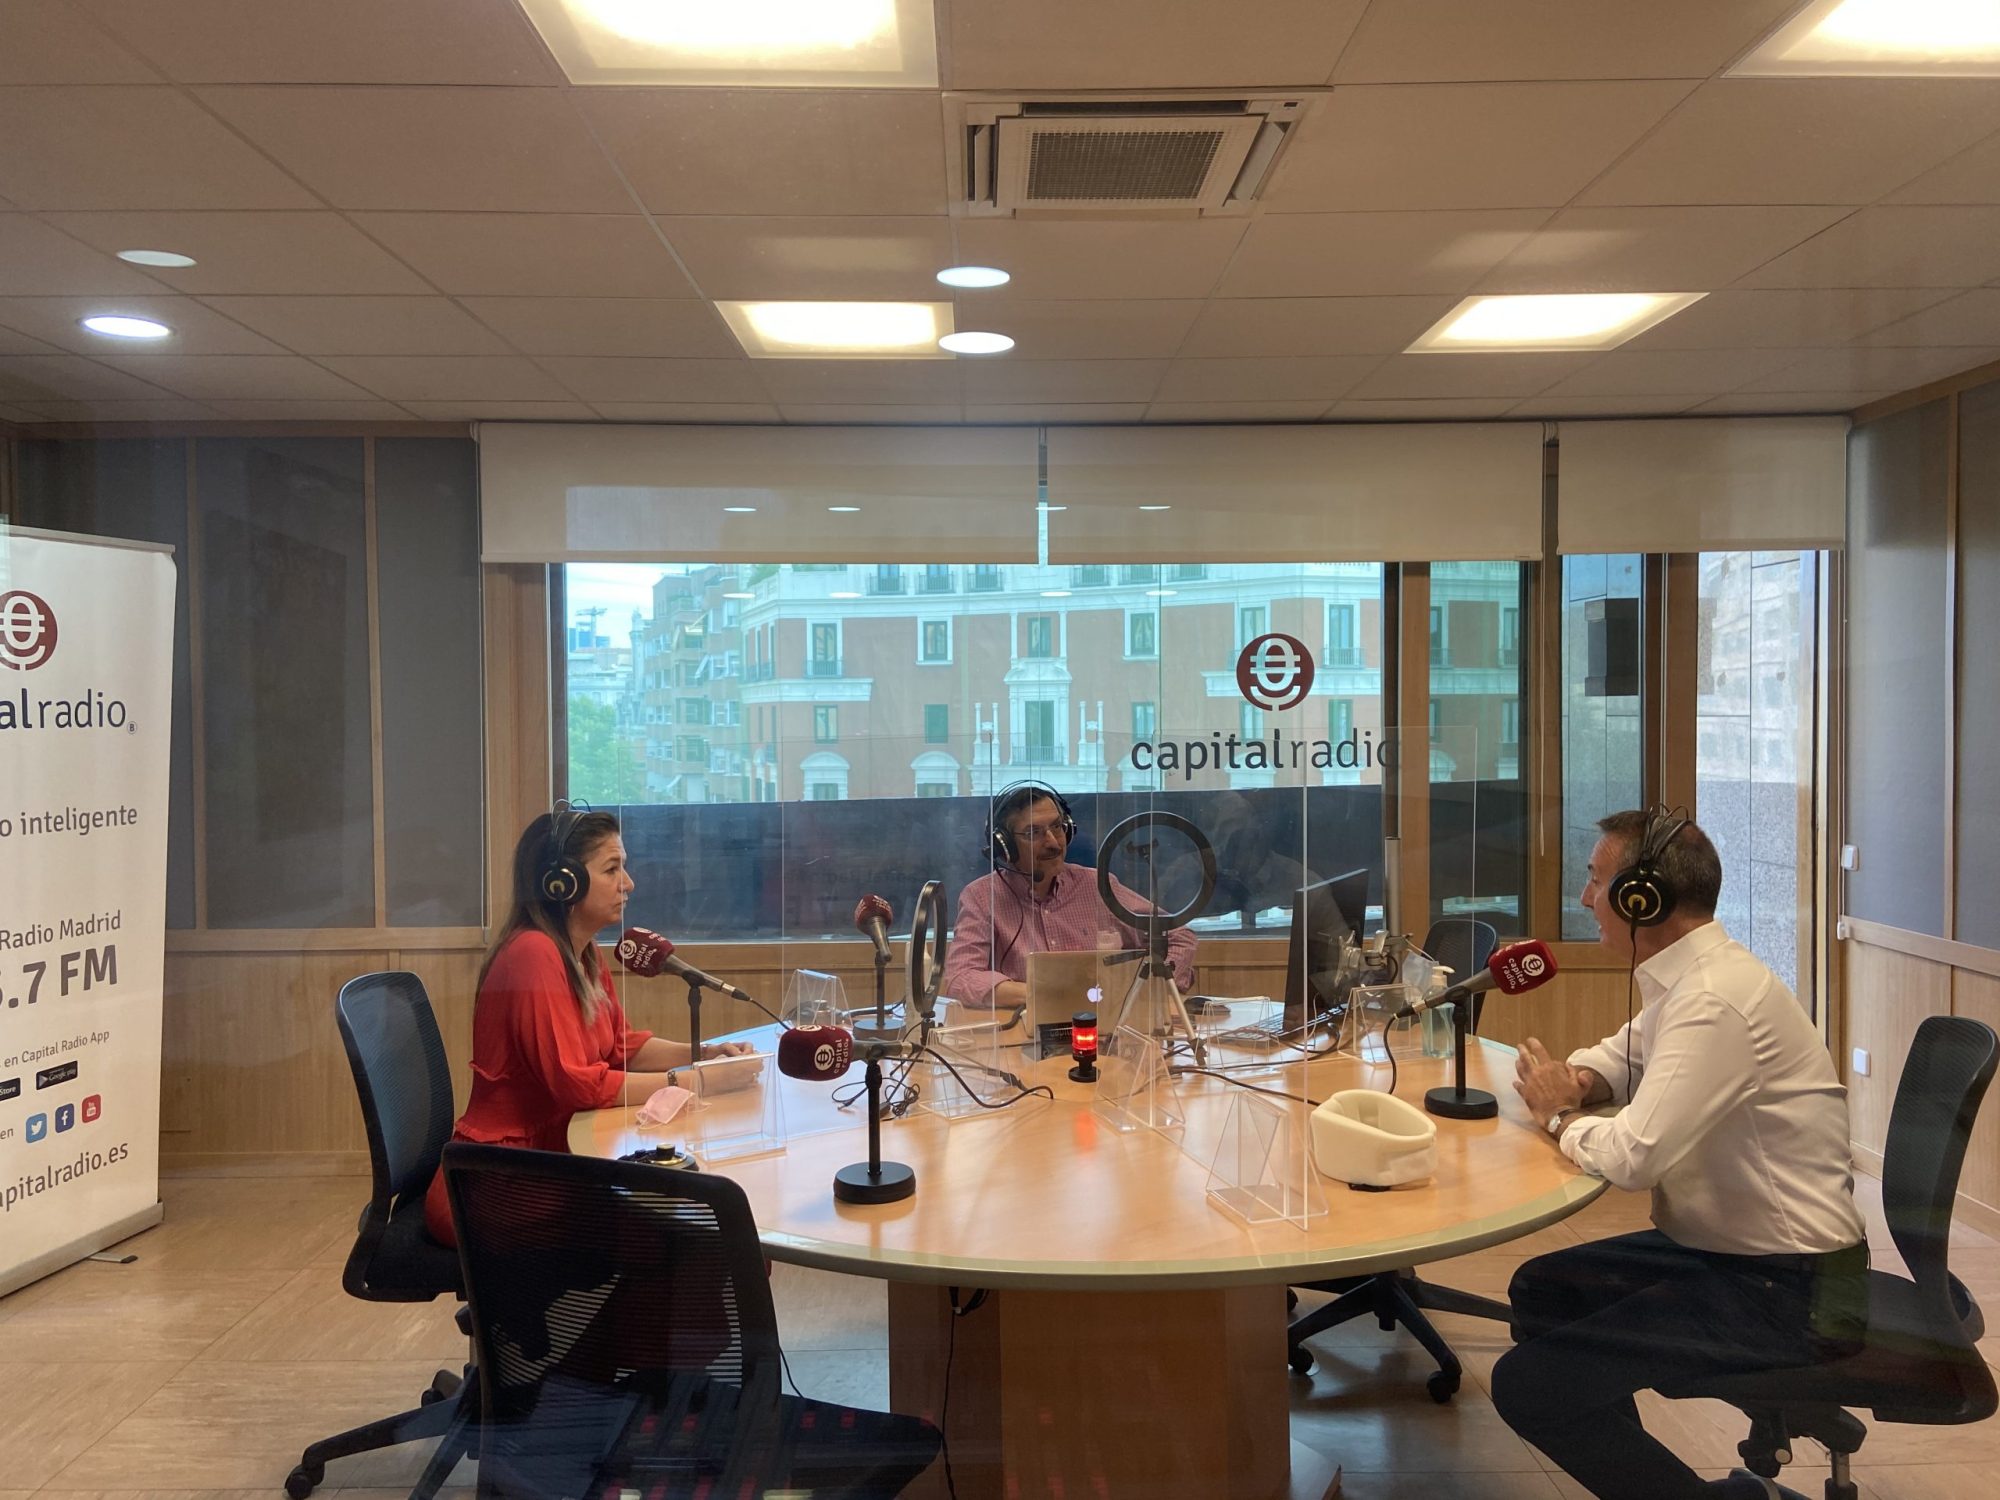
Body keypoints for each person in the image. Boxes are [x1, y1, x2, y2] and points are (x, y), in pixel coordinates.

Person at [1491, 810, 1868, 1500]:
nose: (1586, 898)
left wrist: (1561, 1116)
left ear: (1645, 898)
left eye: (1596, 881)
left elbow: (1635, 1159)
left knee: (1526, 1386)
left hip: (1790, 1288)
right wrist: (1583, 1080)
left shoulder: (1715, 999)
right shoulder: (1694, 980)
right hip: (1736, 1258)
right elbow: (1622, 1056)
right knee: (1545, 1289)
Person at [422, 808, 752, 1247]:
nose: (628, 884)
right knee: (709, 1241)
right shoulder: (532, 954)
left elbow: (622, 1047)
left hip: (554, 1161)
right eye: (612, 869)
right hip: (499, 1183)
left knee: (714, 1237)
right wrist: (696, 1082)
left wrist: (705, 1056)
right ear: (563, 882)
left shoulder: (584, 952)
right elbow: (576, 1084)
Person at [943, 783, 1197, 1009]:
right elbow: (960, 977)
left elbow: (1178, 935)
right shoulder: (981, 897)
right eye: (1034, 833)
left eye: (1057, 827)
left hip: (1105, 1030)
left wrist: (1150, 993)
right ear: (1005, 846)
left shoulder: (1098, 886)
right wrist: (1044, 993)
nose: (1054, 843)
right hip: (1024, 1035)